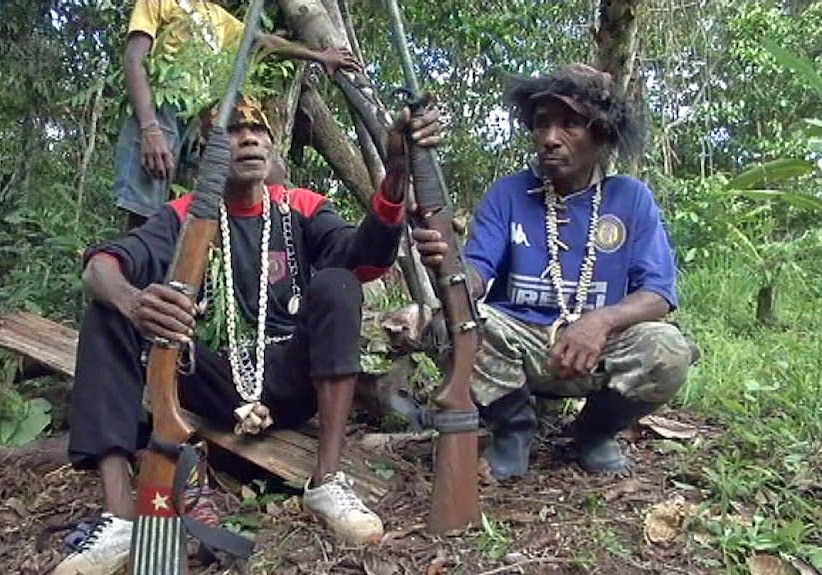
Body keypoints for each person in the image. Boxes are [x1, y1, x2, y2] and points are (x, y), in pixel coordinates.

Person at [55, 94, 441, 574]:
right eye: (234, 132)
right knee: (108, 313)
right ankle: (120, 519)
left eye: (259, 132)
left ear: (273, 148)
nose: (250, 140)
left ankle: (327, 481)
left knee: (339, 282)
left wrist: (396, 175)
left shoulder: (300, 207)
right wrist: (135, 304)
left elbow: (364, 257)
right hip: (213, 379)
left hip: (290, 378)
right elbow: (101, 267)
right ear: (205, 153)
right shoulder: (183, 216)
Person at [412, 64, 693, 480]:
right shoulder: (508, 193)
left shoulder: (631, 198)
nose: (549, 139)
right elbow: (476, 275)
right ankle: (514, 430)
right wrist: (447, 264)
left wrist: (600, 321)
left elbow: (658, 294)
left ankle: (594, 433)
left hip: (598, 349)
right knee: (452, 322)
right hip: (519, 345)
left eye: (570, 125)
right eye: (541, 124)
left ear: (601, 134)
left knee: (668, 350)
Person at [116, 0, 360, 228]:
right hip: (161, 107)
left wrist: (321, 57)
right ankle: (131, 267)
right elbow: (134, 59)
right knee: (146, 209)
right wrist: (150, 128)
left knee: (210, 201)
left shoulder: (218, 17)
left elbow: (265, 43)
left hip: (198, 118)